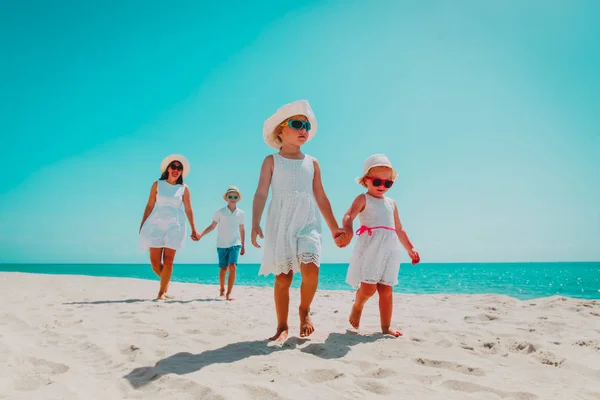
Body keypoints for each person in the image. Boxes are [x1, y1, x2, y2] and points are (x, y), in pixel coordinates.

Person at [252, 99, 343, 342]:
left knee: (311, 270)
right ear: (280, 131)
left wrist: (335, 228)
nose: (304, 129)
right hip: (281, 221)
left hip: (307, 220)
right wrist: (255, 222)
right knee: (284, 278)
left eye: (306, 125)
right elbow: (261, 193)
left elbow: (321, 195)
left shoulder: (312, 162)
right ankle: (282, 325)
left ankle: (304, 309)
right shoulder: (271, 161)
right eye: (296, 124)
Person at [335, 154, 420, 337]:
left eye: (388, 183)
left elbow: (399, 228)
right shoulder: (363, 199)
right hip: (372, 248)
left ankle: (385, 327)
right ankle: (358, 305)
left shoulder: (392, 204)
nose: (382, 186)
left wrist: (410, 248)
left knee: (386, 289)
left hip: (390, 249)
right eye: (377, 182)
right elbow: (349, 215)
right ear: (366, 181)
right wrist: (347, 230)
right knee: (368, 288)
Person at [139, 154, 199, 300]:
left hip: (175, 225)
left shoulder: (183, 188)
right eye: (174, 166)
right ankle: (166, 283)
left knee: (168, 260)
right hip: (156, 224)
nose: (176, 170)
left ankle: (161, 293)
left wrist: (194, 228)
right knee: (154, 263)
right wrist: (143, 223)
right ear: (168, 169)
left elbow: (189, 209)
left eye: (179, 168)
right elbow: (149, 205)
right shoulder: (157, 185)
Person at [197, 186, 246, 300]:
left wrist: (243, 245)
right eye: (230, 196)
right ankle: (222, 289)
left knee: (232, 266)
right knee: (223, 268)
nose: (233, 198)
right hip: (222, 244)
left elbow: (242, 229)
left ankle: (229, 293)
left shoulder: (241, 213)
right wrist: (201, 234)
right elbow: (212, 226)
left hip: (235, 244)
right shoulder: (220, 212)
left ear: (238, 198)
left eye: (235, 196)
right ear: (226, 198)